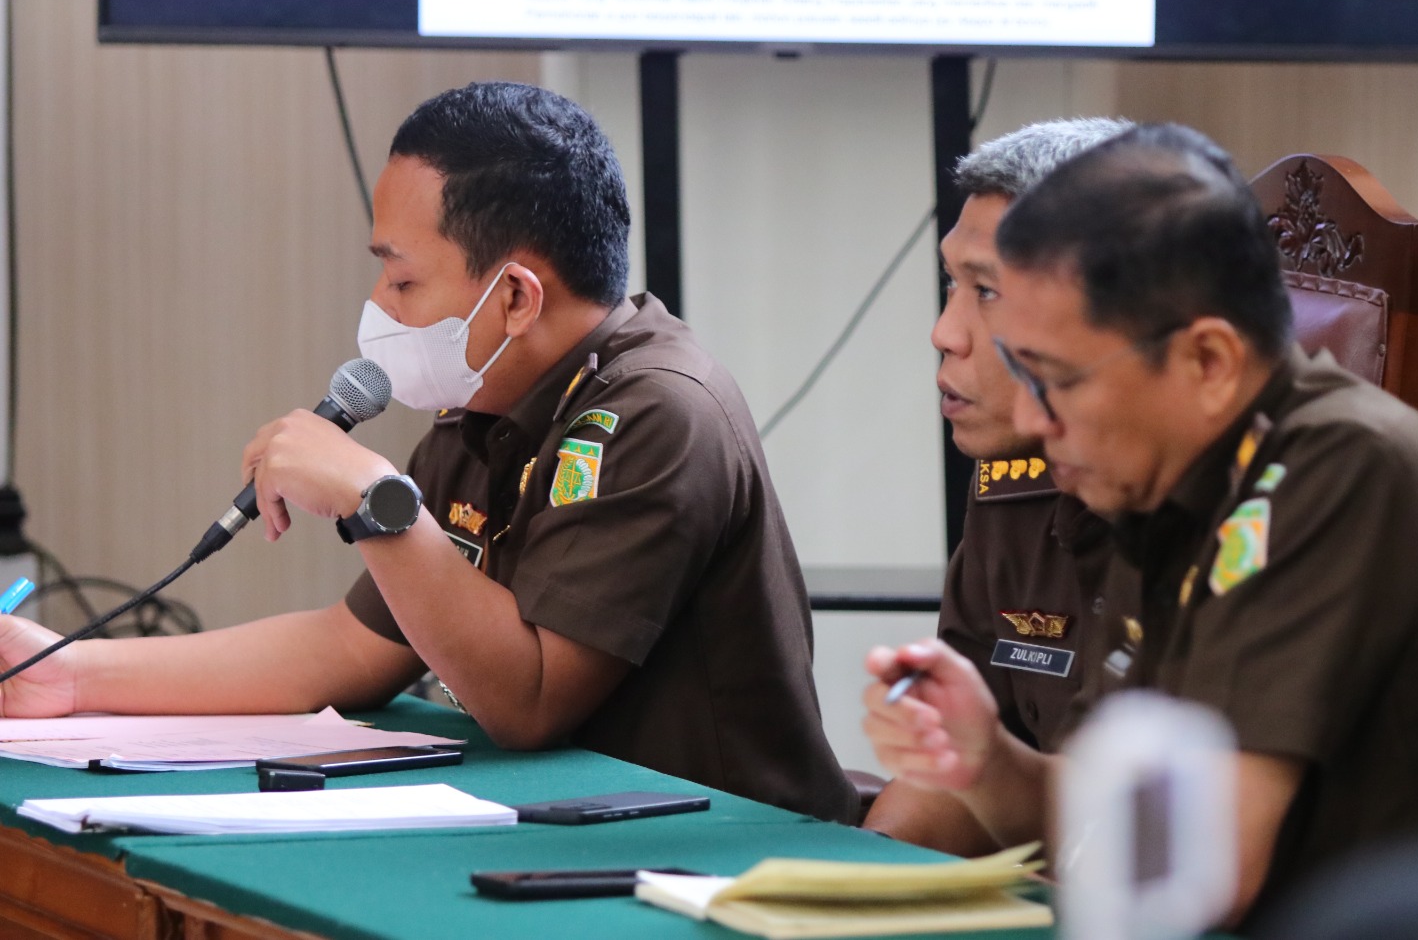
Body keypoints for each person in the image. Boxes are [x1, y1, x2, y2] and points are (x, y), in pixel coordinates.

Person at [0, 82, 857, 824]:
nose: (380, 304)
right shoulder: (486, 402)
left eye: (403, 279)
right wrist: (71, 674)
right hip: (577, 833)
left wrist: (375, 499)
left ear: (515, 296)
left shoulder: (659, 411)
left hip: (717, 861)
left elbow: (529, 700)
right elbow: (353, 647)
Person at [862, 123, 1418, 926]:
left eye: (1057, 378)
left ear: (1207, 363)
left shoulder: (1340, 469)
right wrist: (987, 762)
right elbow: (1123, 817)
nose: (1033, 415)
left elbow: (1203, 867)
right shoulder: (1159, 478)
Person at [863, 118, 1129, 854]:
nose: (944, 333)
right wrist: (859, 889)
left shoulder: (1260, 498)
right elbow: (967, 766)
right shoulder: (1021, 467)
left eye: (986, 291)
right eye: (955, 283)